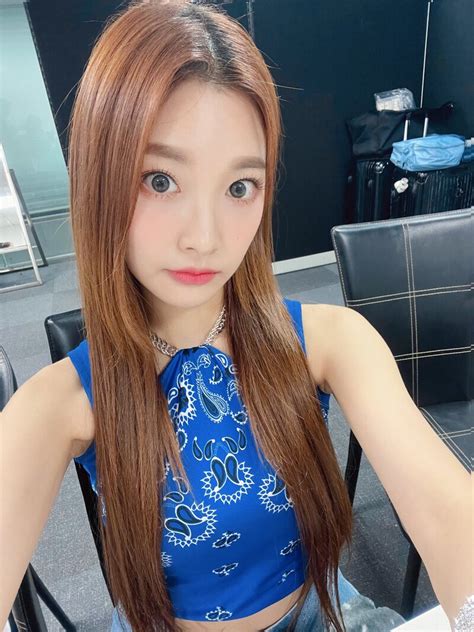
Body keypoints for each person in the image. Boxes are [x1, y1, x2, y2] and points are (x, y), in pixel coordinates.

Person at [0, 1, 471, 631]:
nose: (206, 237)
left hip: (320, 613)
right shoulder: (59, 402)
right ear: (99, 179)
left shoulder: (332, 341)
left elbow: (446, 510)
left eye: (239, 187)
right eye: (160, 180)